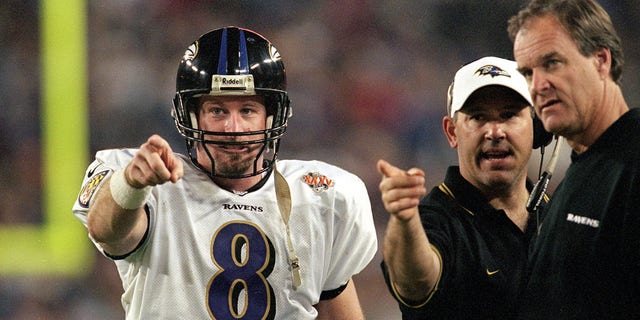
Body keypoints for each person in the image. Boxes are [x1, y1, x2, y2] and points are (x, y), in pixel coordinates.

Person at [72, 26, 377, 319]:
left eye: (247, 110)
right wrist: (131, 184)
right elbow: (105, 230)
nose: (233, 129)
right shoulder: (153, 183)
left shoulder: (321, 196)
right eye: (217, 111)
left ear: (271, 116)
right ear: (192, 116)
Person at [378, 56, 551, 319]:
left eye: (509, 115)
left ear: (536, 128)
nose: (495, 131)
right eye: (478, 117)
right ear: (452, 132)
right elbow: (414, 283)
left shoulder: (557, 214)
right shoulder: (435, 219)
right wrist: (404, 221)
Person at [508, 0, 640, 318]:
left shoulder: (632, 163)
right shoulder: (582, 167)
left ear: (601, 61)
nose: (537, 86)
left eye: (552, 63)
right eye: (527, 72)